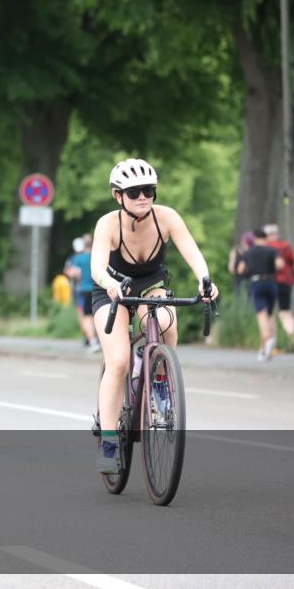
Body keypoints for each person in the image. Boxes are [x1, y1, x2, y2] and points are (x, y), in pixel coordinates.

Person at [90, 159, 218, 475]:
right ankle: (108, 445)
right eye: (134, 192)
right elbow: (96, 266)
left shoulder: (167, 218)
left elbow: (192, 252)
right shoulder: (108, 224)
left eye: (148, 190)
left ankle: (158, 379)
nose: (142, 197)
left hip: (152, 285)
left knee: (164, 324)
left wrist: (206, 281)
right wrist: (109, 283)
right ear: (118, 196)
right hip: (112, 289)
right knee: (118, 360)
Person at [237, 230, 285, 361]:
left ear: (255, 238)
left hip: (256, 283)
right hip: (271, 283)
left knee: (261, 316)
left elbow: (240, 269)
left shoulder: (249, 252)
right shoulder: (271, 250)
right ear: (265, 238)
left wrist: (251, 267)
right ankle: (267, 347)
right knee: (270, 315)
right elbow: (280, 264)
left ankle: (267, 342)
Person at [264, 223, 294, 351]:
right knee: (285, 312)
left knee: (270, 314)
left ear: (266, 236)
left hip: (270, 283)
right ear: (277, 234)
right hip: (285, 283)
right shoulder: (286, 246)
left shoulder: (266, 248)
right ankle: (291, 334)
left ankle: (273, 342)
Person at [66, 234, 99, 352]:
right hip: (98, 290)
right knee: (98, 316)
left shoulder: (78, 258)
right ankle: (98, 339)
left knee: (86, 318)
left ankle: (93, 342)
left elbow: (72, 273)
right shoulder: (97, 256)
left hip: (84, 290)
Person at [227, 231, 254, 296]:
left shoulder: (252, 251)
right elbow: (231, 268)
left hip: (250, 278)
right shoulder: (236, 250)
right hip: (239, 278)